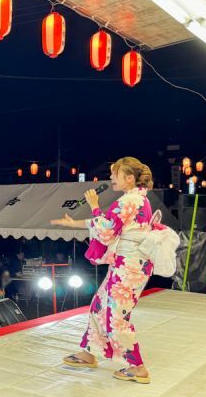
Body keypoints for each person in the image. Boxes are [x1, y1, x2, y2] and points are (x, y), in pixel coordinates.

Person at [52, 157, 155, 384]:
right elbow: (108, 223)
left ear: (129, 178)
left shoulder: (128, 201)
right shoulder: (138, 200)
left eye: (115, 174)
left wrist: (94, 205)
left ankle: (137, 366)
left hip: (128, 267)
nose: (111, 178)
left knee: (117, 316)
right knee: (99, 306)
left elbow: (106, 231)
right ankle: (90, 352)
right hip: (129, 265)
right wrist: (74, 224)